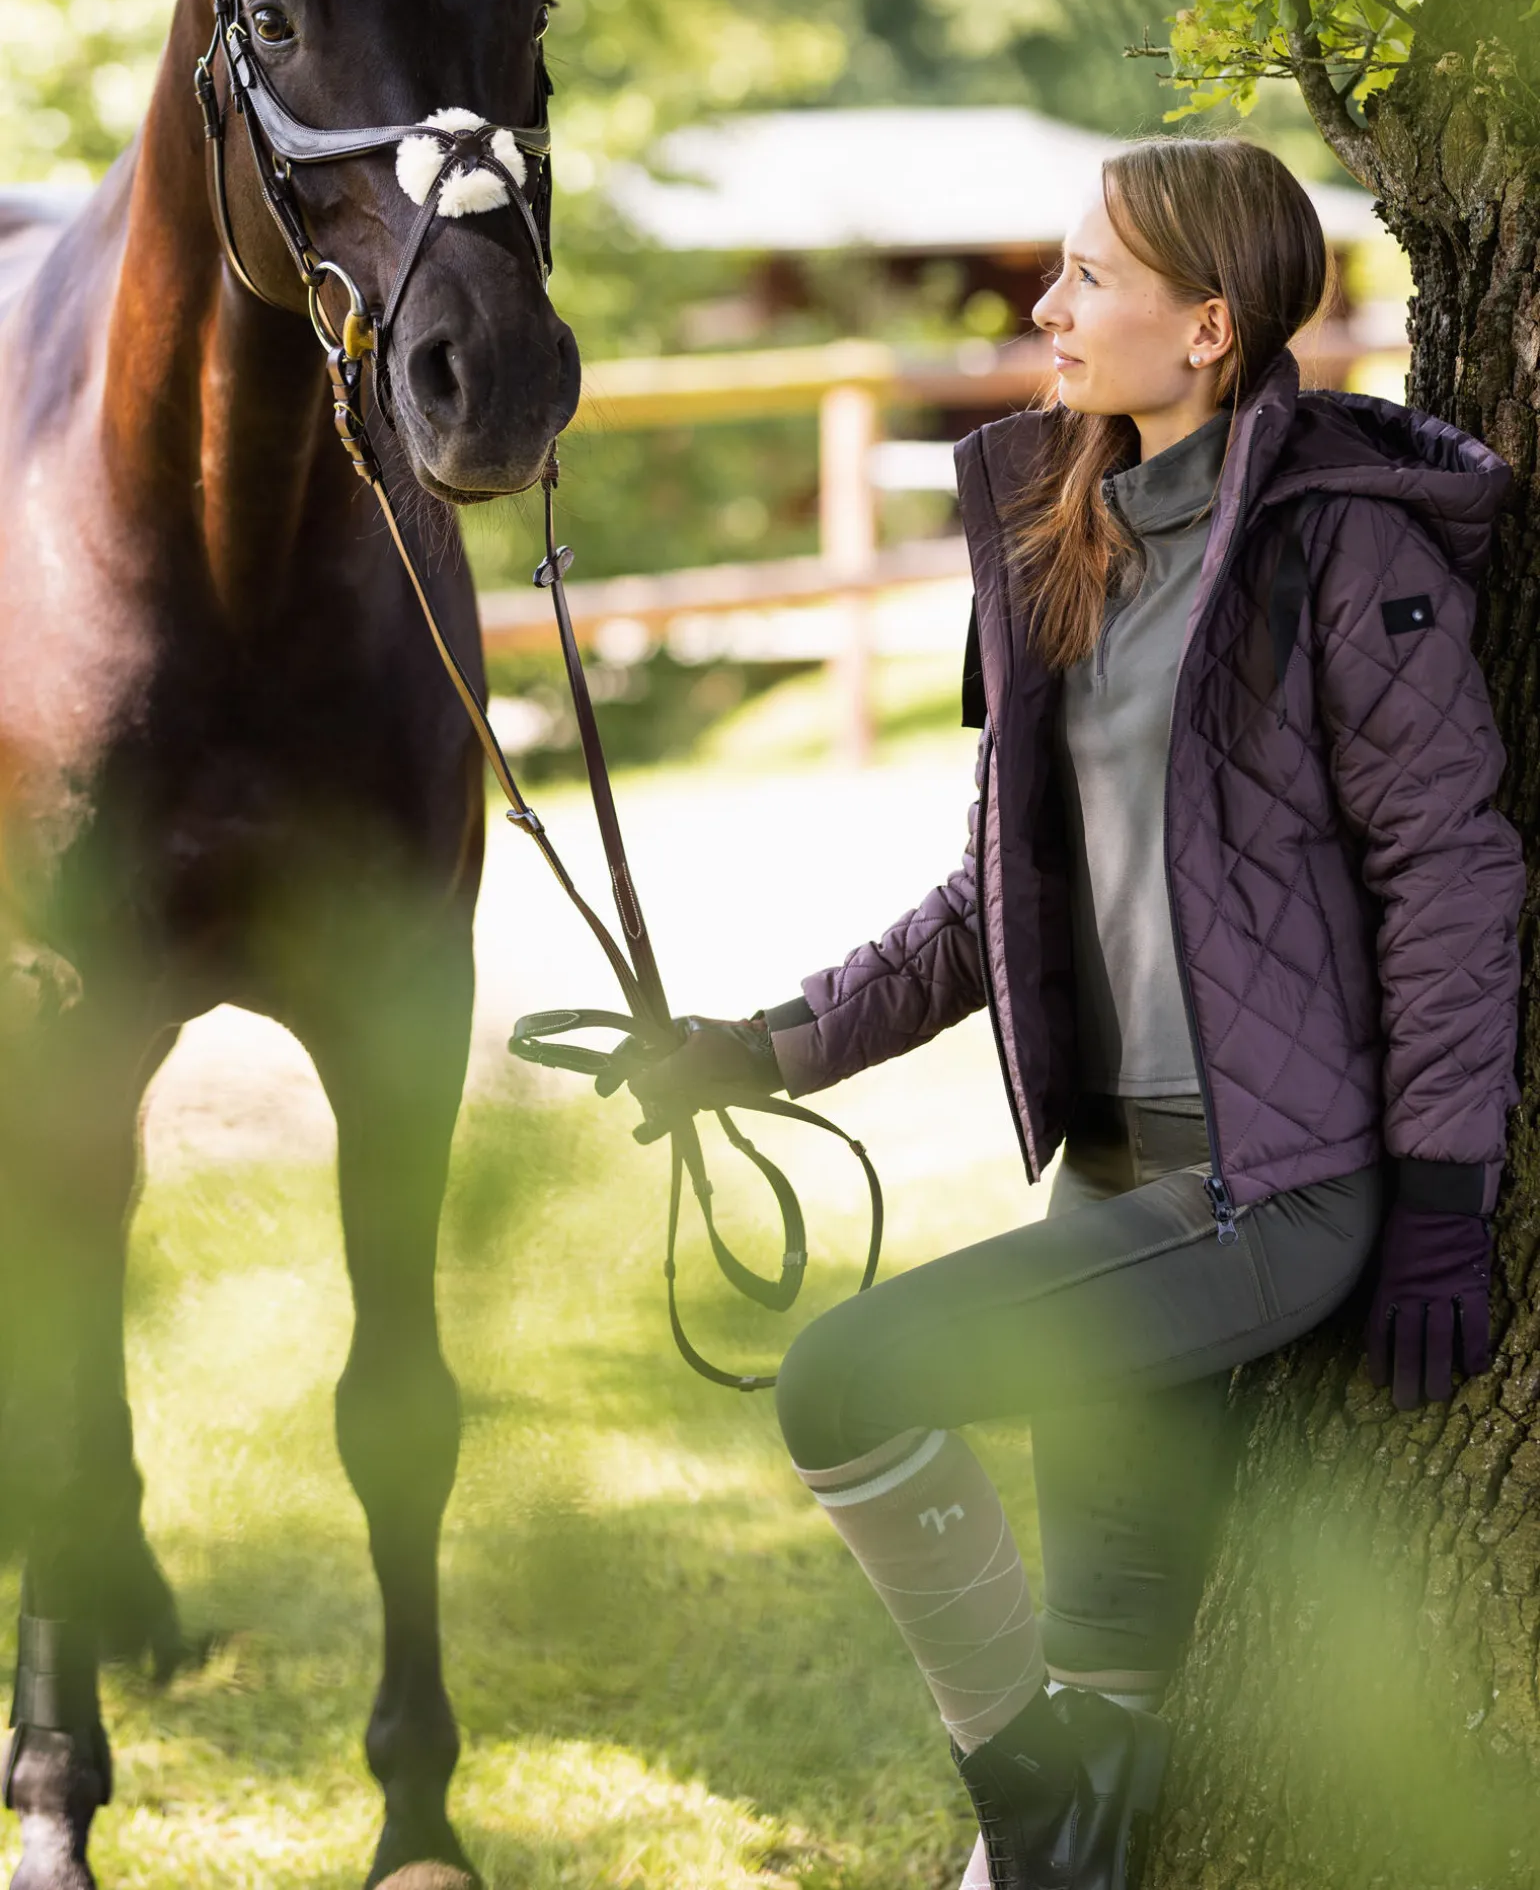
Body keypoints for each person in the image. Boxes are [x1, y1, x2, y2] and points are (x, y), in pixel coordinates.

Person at [611, 139, 1525, 1890]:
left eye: (1089, 276)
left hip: (1271, 1193)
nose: (1045, 307)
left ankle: (1013, 1780)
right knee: (1109, 1715)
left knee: (845, 1381)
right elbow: (990, 899)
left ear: (1208, 325)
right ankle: (1042, 1811)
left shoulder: (1341, 551)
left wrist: (1439, 1199)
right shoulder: (1065, 541)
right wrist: (759, 1047)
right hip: (1107, 1185)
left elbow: (1451, 876)